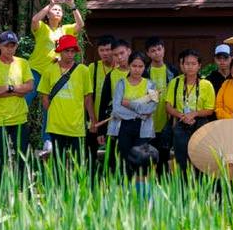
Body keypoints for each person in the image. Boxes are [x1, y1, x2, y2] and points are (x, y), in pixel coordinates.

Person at [29, 0, 84, 152]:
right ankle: (13, 136)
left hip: (55, 74)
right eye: (55, 9)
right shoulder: (42, 28)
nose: (58, 11)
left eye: (60, 10)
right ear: (48, 14)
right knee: (24, 102)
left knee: (49, 107)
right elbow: (34, 20)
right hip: (36, 70)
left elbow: (80, 25)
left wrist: (72, 5)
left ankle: (47, 140)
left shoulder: (65, 30)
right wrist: (50, 4)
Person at [38, 34, 93, 164]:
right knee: (58, 162)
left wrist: (92, 120)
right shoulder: (49, 70)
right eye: (66, 51)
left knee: (78, 162)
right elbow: (44, 96)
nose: (70, 54)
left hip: (77, 125)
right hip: (56, 125)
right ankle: (57, 185)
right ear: (60, 52)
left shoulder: (83, 70)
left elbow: (88, 97)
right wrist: (53, 112)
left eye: (72, 51)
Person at [0, 31, 34, 168]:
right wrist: (18, 92)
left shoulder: (23, 63)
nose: (10, 49)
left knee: (22, 155)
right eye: (6, 46)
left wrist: (8, 88)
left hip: (19, 117)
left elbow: (30, 86)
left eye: (13, 46)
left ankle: (23, 187)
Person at [163, 49, 217, 171]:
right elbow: (168, 106)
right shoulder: (175, 82)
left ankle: (200, 184)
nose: (190, 67)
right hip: (181, 122)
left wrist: (194, 114)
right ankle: (184, 184)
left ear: (199, 66)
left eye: (193, 64)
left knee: (200, 156)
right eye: (187, 63)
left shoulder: (206, 84)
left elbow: (210, 109)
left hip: (200, 123)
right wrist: (182, 116)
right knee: (181, 158)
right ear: (182, 65)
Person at [107, 51, 159, 176]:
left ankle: (139, 187)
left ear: (144, 67)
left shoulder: (151, 84)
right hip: (123, 126)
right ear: (129, 66)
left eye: (140, 66)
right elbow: (117, 109)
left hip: (143, 128)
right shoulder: (121, 83)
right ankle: (125, 189)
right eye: (134, 66)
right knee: (124, 159)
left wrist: (130, 104)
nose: (137, 69)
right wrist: (139, 113)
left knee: (141, 160)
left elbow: (151, 108)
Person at [86, 35, 117, 168]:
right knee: (89, 156)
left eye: (108, 50)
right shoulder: (93, 68)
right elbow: (87, 96)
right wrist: (93, 120)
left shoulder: (120, 69)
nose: (105, 53)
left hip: (113, 121)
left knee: (113, 158)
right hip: (94, 119)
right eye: (101, 50)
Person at [144, 37, 175, 161]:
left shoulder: (172, 71)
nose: (157, 53)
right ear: (148, 54)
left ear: (164, 50)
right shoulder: (144, 71)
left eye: (159, 49)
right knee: (148, 160)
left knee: (163, 158)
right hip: (147, 121)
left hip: (166, 121)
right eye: (153, 50)